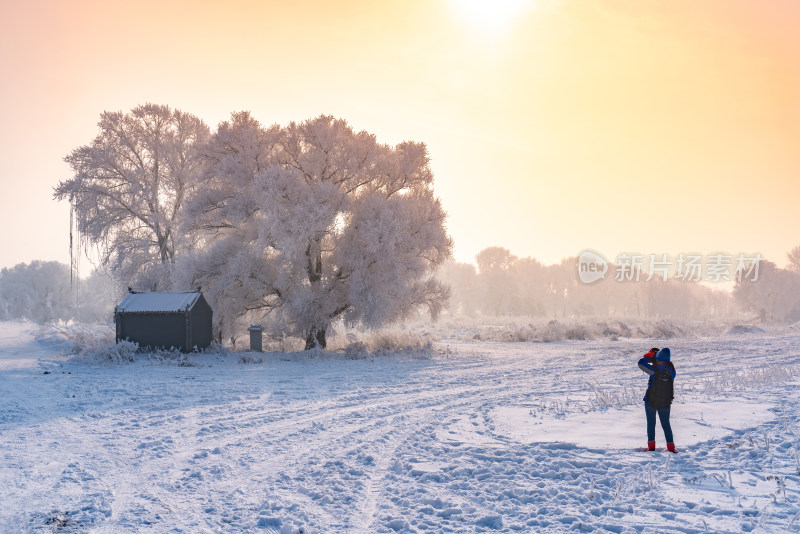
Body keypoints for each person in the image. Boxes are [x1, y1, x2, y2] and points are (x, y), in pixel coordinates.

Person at [638, 347, 677, 452]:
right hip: (665, 402)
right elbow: (663, 365)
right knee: (666, 424)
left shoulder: (653, 370)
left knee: (651, 423)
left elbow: (640, 363)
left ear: (658, 358)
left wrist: (650, 357)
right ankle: (671, 448)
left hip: (651, 400)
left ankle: (651, 447)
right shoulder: (672, 371)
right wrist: (656, 359)